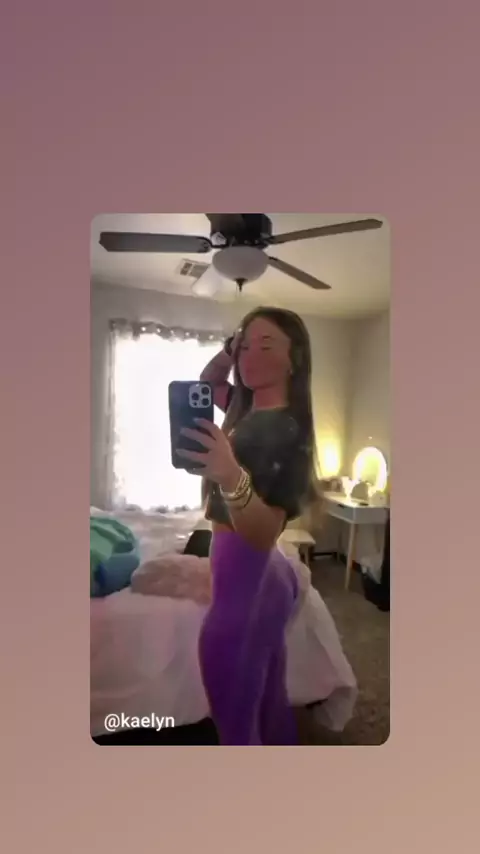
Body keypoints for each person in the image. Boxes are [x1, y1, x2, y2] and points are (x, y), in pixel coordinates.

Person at [176, 307, 320, 745]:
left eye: (266, 345)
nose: (250, 355)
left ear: (294, 359)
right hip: (269, 577)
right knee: (267, 700)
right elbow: (208, 381)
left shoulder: (287, 431)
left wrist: (229, 474)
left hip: (248, 578)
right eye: (245, 346)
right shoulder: (248, 410)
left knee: (236, 726)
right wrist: (228, 350)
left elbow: (262, 535)